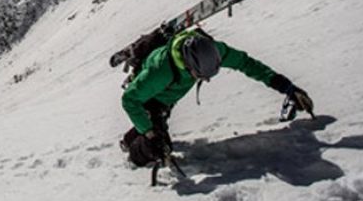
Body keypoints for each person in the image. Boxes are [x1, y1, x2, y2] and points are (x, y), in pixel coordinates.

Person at [120, 26, 314, 167]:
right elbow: (130, 100)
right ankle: (133, 155)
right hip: (151, 97)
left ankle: (137, 135)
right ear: (187, 66)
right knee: (157, 147)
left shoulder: (214, 51)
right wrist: (150, 133)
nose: (207, 80)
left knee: (158, 129)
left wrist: (286, 87)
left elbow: (247, 64)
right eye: (201, 76)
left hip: (168, 95)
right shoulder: (159, 72)